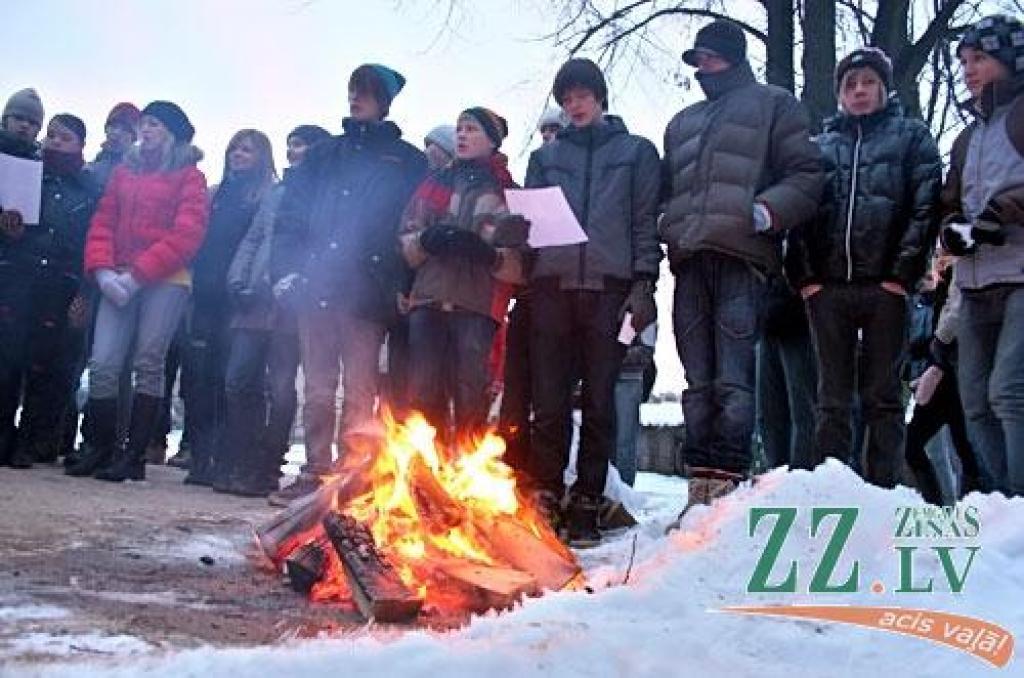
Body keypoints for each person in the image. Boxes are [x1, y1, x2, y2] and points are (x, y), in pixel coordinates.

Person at [662, 20, 822, 519]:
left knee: (733, 379)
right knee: (697, 381)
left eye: (709, 58)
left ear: (731, 57)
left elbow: (808, 173)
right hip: (690, 260)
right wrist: (669, 224)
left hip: (743, 258)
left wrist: (768, 211)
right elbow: (668, 188)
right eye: (697, 60)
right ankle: (700, 487)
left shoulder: (774, 104)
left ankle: (727, 489)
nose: (701, 67)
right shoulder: (683, 121)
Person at [270, 64, 426, 504]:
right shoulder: (324, 154)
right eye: (353, 90)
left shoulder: (407, 161)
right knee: (317, 387)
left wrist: (400, 282)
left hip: (368, 290)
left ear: (385, 101)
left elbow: (411, 225)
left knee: (360, 388)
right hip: (315, 282)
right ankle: (315, 470)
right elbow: (290, 216)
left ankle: (351, 475)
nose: (356, 99)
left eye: (367, 92)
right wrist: (285, 270)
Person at [525, 58, 662, 546]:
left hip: (609, 289)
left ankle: (586, 499)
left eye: (582, 95)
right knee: (550, 402)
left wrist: (644, 283)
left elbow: (646, 221)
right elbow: (532, 224)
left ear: (600, 98)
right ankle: (545, 491)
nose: (574, 105)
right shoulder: (546, 157)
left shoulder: (636, 152)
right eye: (566, 98)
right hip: (553, 289)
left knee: (601, 402)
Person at [790, 47, 941, 488]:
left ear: (884, 87)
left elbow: (925, 204)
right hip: (829, 289)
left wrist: (902, 275)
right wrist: (806, 278)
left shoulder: (912, 137)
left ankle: (883, 490)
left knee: (883, 396)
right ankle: (833, 489)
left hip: (886, 288)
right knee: (831, 398)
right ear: (839, 93)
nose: (859, 92)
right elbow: (800, 213)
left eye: (868, 82)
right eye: (850, 85)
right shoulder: (819, 148)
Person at [66, 101, 208, 481]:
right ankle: (99, 447)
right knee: (104, 363)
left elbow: (187, 234)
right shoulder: (123, 172)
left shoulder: (189, 176)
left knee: (148, 362)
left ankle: (134, 455)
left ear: (173, 133)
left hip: (166, 279)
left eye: (156, 124)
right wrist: (103, 272)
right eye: (145, 123)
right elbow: (103, 222)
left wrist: (138, 275)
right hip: (117, 278)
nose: (146, 130)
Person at [400, 107, 525, 438]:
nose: (462, 135)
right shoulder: (433, 183)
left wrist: (488, 254)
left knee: (470, 392)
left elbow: (521, 263)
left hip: (477, 306)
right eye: (459, 129)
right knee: (424, 391)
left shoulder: (508, 193)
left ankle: (466, 471)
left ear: (492, 141)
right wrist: (426, 240)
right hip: (428, 299)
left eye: (471, 129)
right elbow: (405, 239)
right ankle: (427, 473)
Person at [219, 124, 329, 498]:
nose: (293, 151)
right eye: (290, 144)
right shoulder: (278, 191)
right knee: (238, 380)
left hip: (289, 304)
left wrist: (279, 282)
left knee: (280, 387)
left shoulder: (323, 194)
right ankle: (243, 458)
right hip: (252, 302)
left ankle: (267, 465)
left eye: (300, 145)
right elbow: (254, 238)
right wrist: (237, 280)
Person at [939, 14, 1024, 496]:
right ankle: (1000, 505)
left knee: (1009, 392)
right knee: (973, 401)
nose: (969, 70)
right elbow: (951, 200)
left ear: (1011, 60)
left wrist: (1000, 214)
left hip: (1020, 276)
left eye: (981, 59)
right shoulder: (966, 138)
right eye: (965, 61)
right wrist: (951, 228)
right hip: (973, 283)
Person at [0, 114, 99, 467]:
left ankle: (32, 441)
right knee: (7, 363)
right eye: (52, 135)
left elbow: (94, 244)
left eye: (65, 137)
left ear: (80, 145)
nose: (56, 142)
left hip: (62, 283)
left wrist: (86, 293)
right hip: (18, 278)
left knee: (47, 368)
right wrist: (8, 230)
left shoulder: (90, 190)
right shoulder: (23, 176)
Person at [183, 129, 277, 487]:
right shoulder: (215, 195)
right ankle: (201, 456)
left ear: (262, 156)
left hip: (239, 299)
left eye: (247, 150)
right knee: (199, 379)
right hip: (205, 294)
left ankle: (230, 458)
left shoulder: (265, 197)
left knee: (232, 379)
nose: (239, 154)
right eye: (234, 148)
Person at [904, 248, 980, 502]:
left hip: (957, 377)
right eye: (937, 255)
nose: (941, 260)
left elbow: (952, 327)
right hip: (938, 379)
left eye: (946, 255)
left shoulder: (961, 285)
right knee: (914, 447)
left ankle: (972, 511)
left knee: (966, 451)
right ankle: (938, 508)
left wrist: (936, 359)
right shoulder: (937, 294)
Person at [86, 103, 141, 188]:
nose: (117, 132)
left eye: (125, 129)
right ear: (106, 129)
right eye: (113, 126)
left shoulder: (141, 166)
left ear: (134, 137)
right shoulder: (93, 166)